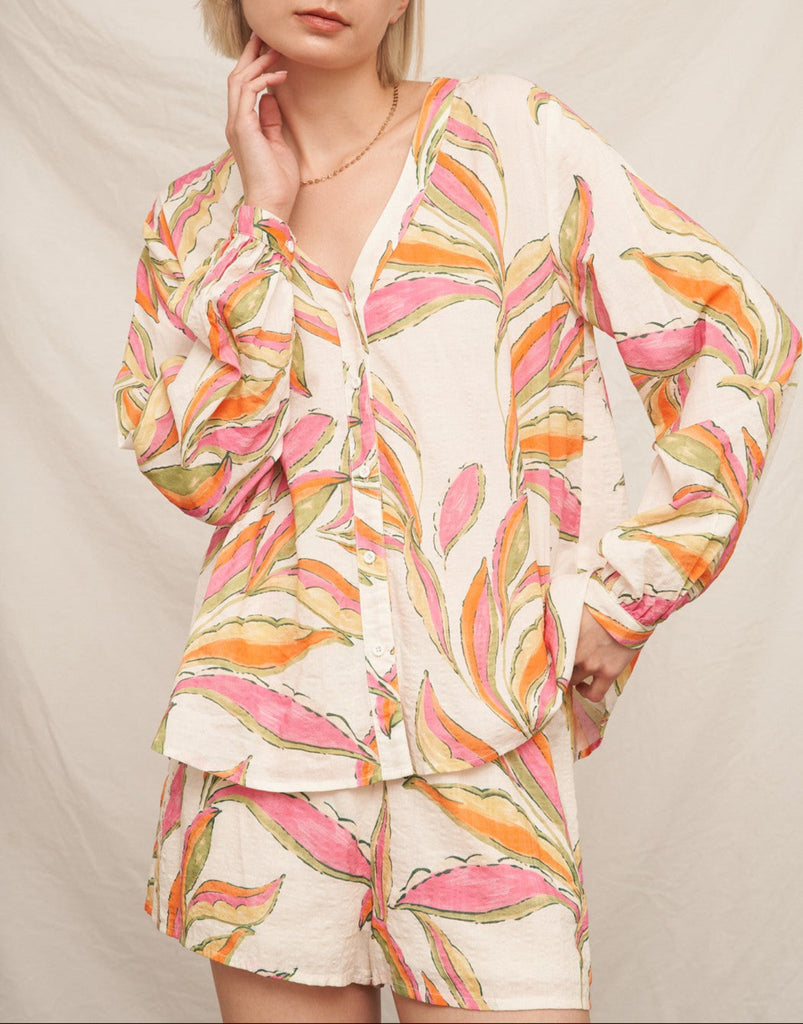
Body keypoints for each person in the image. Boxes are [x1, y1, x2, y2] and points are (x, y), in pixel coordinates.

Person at [112, 1, 801, 1021]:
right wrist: (260, 223)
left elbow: (734, 336)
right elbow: (194, 471)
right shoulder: (195, 222)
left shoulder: (512, 139)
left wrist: (632, 590)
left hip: (483, 727)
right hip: (267, 745)